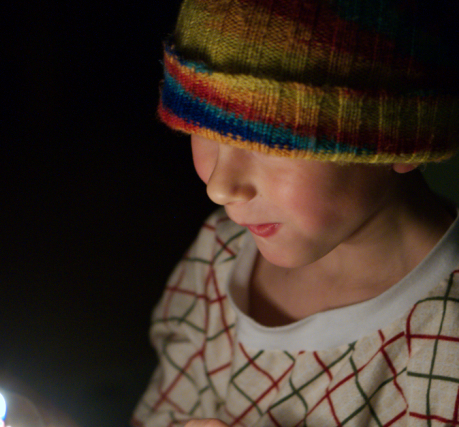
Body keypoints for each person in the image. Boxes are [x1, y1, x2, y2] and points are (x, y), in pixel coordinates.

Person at [132, 0, 459, 426]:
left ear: (401, 139)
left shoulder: (445, 347)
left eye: (268, 141)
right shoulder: (219, 256)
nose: (219, 188)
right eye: (202, 129)